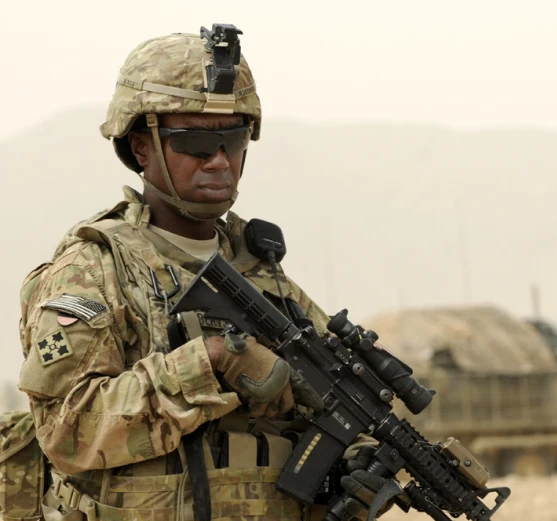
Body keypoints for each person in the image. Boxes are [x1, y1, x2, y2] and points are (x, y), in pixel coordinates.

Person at [16, 24, 396, 521]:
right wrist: (212, 360)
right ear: (141, 147)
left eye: (233, 140)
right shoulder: (94, 268)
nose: (219, 161)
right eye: (195, 142)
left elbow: (334, 400)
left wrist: (358, 461)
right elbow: (69, 432)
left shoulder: (261, 269)